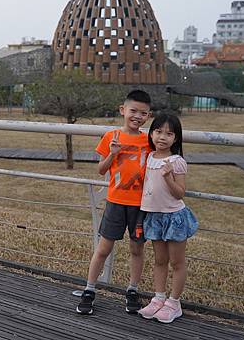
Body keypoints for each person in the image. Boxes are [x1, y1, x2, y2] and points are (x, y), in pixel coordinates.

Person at [76, 90, 152, 315]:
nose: (137, 116)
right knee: (103, 248)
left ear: (148, 115)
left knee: (136, 248)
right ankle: (89, 289)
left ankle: (132, 289)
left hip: (141, 204)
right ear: (123, 110)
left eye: (143, 113)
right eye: (133, 111)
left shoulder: (149, 140)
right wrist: (112, 154)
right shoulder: (111, 137)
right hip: (116, 201)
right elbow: (101, 170)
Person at [137, 113, 198, 324]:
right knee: (159, 260)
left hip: (173, 217)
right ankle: (158, 297)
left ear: (176, 138)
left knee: (177, 262)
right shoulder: (149, 157)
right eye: (158, 131)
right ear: (151, 134)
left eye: (169, 133)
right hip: (154, 217)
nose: (162, 137)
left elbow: (179, 193)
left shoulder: (177, 161)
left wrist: (168, 177)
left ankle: (174, 302)